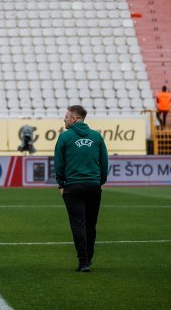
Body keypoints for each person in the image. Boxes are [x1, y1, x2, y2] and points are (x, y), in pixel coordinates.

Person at [54, 105, 108, 272]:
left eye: (66, 116)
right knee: (91, 225)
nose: (64, 119)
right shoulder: (96, 137)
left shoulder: (64, 137)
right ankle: (89, 258)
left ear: (74, 119)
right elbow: (104, 162)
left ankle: (83, 262)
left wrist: (61, 184)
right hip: (93, 186)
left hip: (73, 187)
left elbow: (59, 163)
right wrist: (100, 181)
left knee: (78, 224)